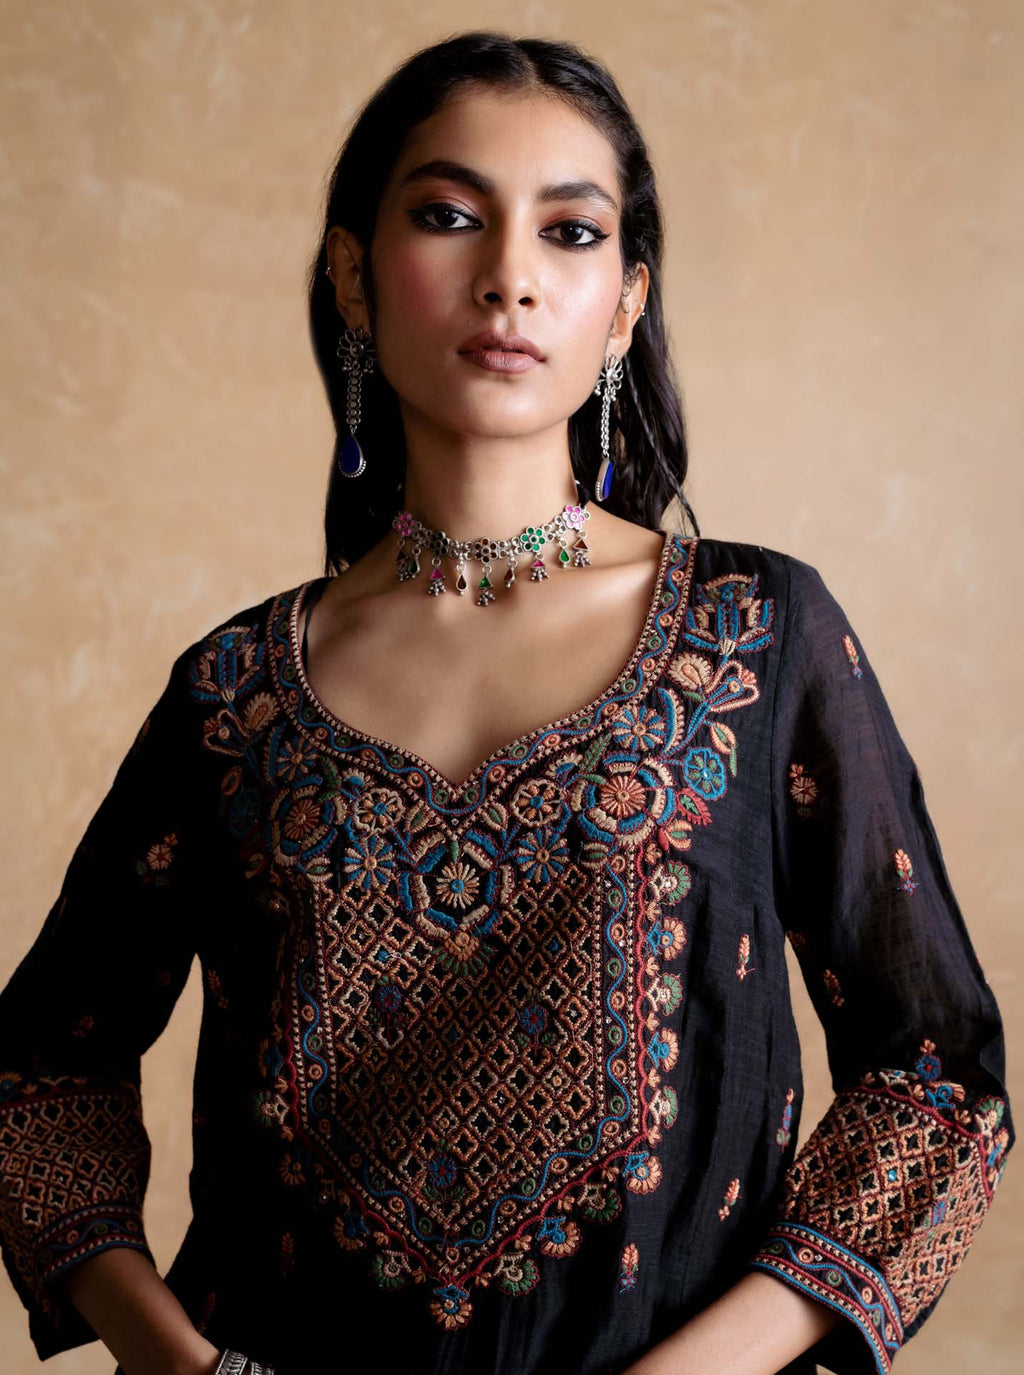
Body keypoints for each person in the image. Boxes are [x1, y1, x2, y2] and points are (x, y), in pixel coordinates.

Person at [0, 29, 1013, 1375]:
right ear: (356, 274)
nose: (512, 279)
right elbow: (39, 1074)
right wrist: (179, 1362)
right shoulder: (239, 691)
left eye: (571, 232)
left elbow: (935, 1083)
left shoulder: (758, 640)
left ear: (629, 302)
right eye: (447, 216)